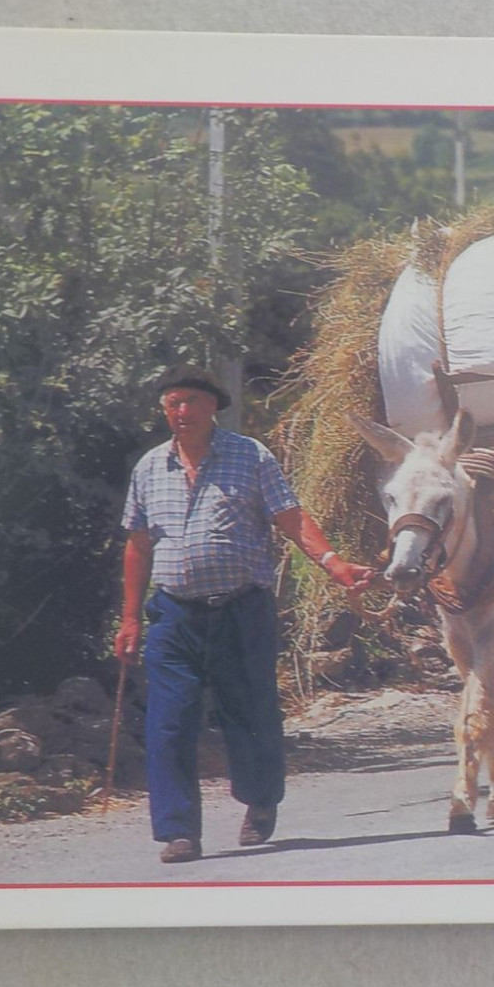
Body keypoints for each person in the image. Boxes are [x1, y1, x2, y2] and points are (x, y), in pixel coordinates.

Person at [114, 363, 375, 864]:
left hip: (241, 610)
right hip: (173, 616)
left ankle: (259, 803)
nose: (181, 411)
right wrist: (128, 619)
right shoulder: (149, 468)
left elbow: (290, 518)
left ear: (214, 406)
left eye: (190, 400)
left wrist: (333, 563)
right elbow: (138, 546)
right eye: (172, 403)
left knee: (251, 715)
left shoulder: (250, 457)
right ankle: (178, 831)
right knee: (169, 723)